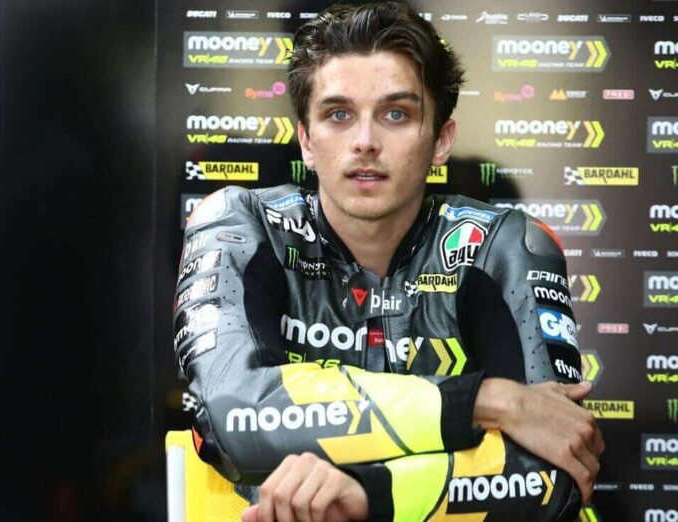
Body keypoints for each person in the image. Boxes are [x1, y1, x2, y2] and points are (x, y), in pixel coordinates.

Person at [173, 3, 604, 521]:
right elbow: (234, 418)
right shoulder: (239, 224)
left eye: (396, 114)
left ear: (441, 140)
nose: (365, 142)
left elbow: (557, 469)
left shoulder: (503, 244)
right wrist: (481, 401)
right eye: (338, 114)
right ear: (306, 140)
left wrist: (367, 494)